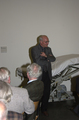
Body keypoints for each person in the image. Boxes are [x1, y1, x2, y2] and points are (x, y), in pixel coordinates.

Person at [31, 35, 56, 116]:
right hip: (38, 74)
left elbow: (54, 59)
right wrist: (48, 59)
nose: (47, 43)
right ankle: (36, 110)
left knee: (46, 92)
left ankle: (44, 109)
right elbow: (37, 61)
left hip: (47, 74)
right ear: (41, 42)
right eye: (46, 42)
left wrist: (45, 56)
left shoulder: (49, 49)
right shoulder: (34, 49)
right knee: (38, 93)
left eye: (48, 41)